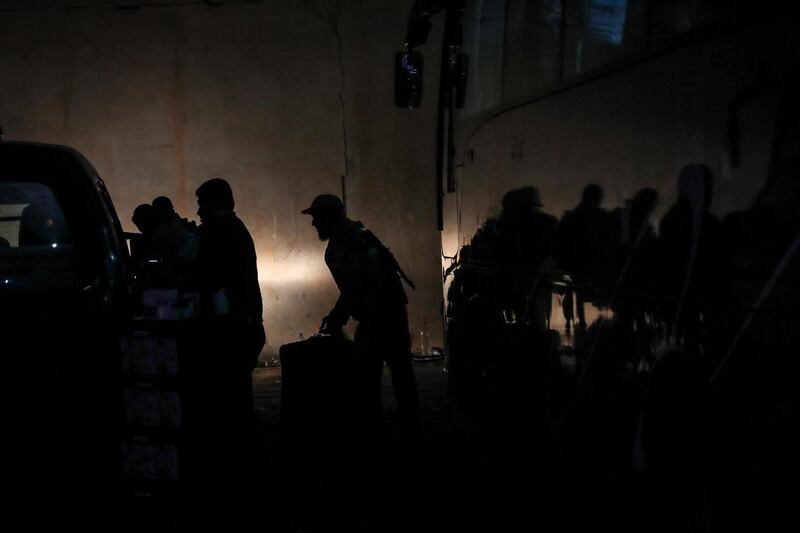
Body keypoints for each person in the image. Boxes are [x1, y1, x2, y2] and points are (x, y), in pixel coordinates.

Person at [301, 193, 419, 433]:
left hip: (380, 313)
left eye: (317, 218)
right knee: (397, 368)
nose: (313, 224)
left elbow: (358, 284)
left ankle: (380, 425)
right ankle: (405, 419)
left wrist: (338, 315)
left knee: (371, 370)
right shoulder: (351, 237)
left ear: (329, 217)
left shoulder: (348, 242)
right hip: (386, 310)